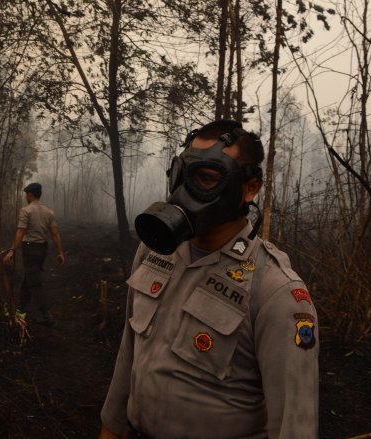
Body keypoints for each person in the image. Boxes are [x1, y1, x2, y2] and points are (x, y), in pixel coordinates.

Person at [99, 120, 319, 439]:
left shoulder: (276, 291)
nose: (185, 192)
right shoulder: (153, 252)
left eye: (207, 178)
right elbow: (128, 357)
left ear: (250, 188)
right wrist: (110, 429)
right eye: (181, 175)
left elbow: (295, 426)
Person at [3, 182, 66, 326]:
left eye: (26, 194)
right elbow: (55, 234)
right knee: (31, 276)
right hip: (42, 249)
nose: (26, 197)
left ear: (30, 195)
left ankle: (46, 315)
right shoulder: (48, 212)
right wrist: (60, 252)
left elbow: (20, 231)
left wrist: (12, 250)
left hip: (30, 249)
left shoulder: (26, 211)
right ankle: (21, 306)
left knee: (34, 282)